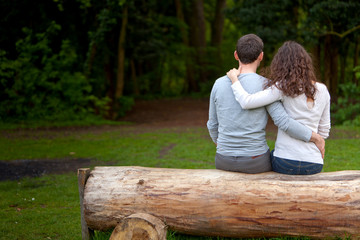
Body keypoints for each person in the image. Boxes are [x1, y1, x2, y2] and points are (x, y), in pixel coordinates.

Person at [207, 34, 325, 174]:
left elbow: (212, 124)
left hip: (223, 159)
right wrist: (315, 137)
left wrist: (223, 148)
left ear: (236, 55)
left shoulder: (218, 84)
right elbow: (283, 121)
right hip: (255, 161)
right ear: (261, 56)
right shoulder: (265, 86)